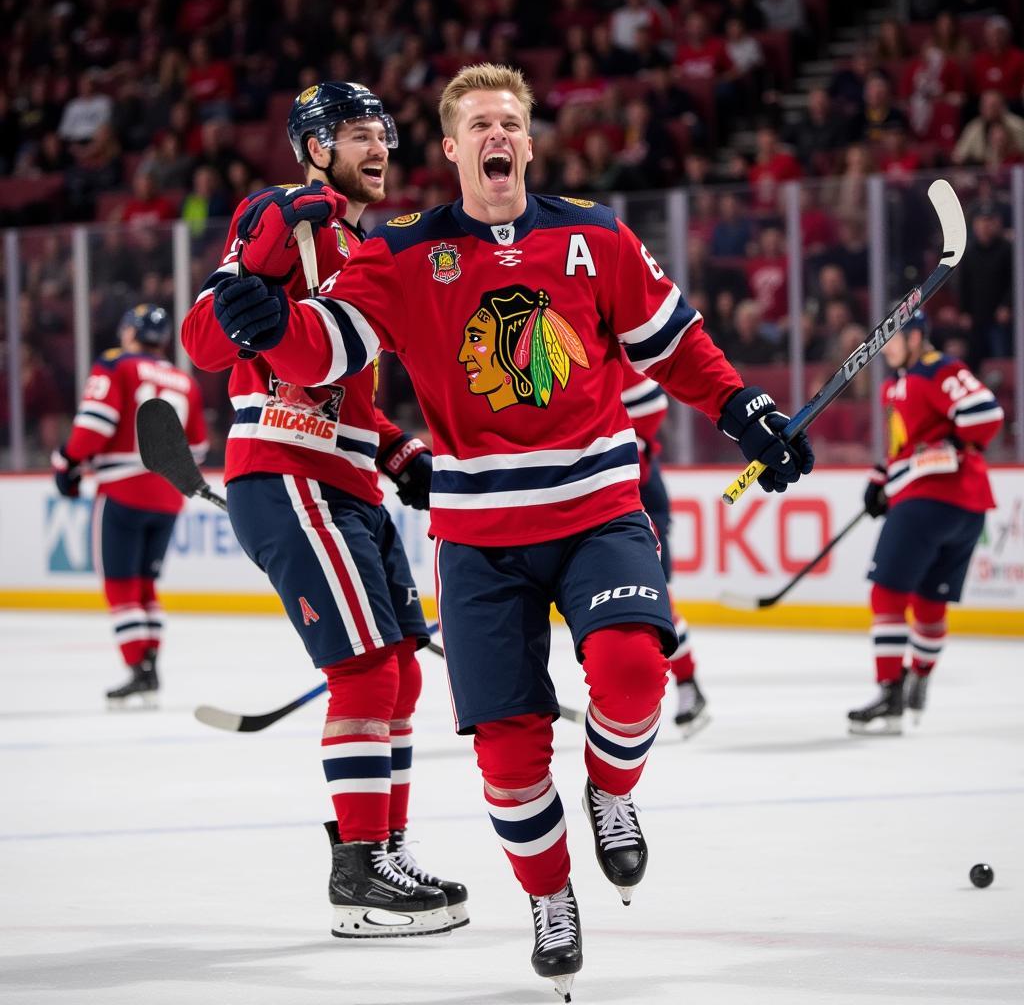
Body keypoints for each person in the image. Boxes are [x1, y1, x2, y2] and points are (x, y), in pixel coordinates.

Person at [205, 64, 813, 998]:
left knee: (631, 669)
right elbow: (327, 347)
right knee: (510, 752)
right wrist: (267, 323)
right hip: (481, 538)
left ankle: (611, 793)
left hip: (596, 509)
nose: (498, 135)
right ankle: (548, 896)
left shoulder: (595, 234)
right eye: (478, 124)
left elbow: (675, 342)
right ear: (452, 149)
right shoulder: (402, 250)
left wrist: (747, 413)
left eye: (511, 122)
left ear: (528, 143)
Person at [180, 82, 466, 939]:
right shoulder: (281, 215)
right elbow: (201, 339)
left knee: (403, 674)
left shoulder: (359, 245)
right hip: (287, 473)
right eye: (353, 133)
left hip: (347, 480)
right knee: (367, 675)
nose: (376, 146)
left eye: (382, 132)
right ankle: (358, 879)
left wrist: (396, 447)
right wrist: (245, 300)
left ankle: (386, 848)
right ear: (313, 147)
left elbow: (345, 389)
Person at [849, 311, 1003, 735]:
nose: (888, 346)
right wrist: (881, 478)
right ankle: (919, 676)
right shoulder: (896, 385)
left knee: (887, 595)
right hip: (969, 508)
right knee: (930, 600)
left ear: (917, 337)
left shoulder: (938, 369)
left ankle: (889, 693)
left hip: (928, 501)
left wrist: (948, 443)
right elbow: (907, 443)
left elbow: (985, 415)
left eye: (895, 338)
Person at [51, 305, 207, 707]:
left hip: (122, 491)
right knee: (146, 584)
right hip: (169, 497)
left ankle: (138, 669)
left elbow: (95, 425)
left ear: (129, 333)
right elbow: (200, 448)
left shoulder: (116, 366)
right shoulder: (183, 381)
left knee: (121, 584)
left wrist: (67, 461)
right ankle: (150, 666)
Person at [619, 353, 709, 737]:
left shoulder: (603, 346)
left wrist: (624, 438)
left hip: (637, 499)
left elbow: (651, 403)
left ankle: (688, 684)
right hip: (619, 494)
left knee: (655, 600)